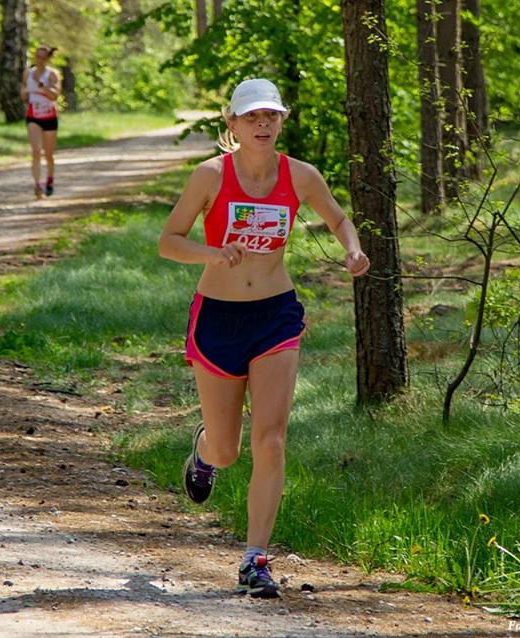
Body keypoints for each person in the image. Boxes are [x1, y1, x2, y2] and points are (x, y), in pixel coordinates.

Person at [158, 78, 371, 599]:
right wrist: (212, 253)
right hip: (218, 318)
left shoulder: (300, 175)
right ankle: (204, 453)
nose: (262, 124)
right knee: (228, 450)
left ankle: (255, 559)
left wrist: (352, 249)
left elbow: (339, 218)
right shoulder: (211, 176)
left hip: (275, 316)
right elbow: (168, 241)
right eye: (251, 116)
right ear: (232, 123)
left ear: (281, 120)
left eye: (270, 116)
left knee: (271, 439)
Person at [20, 45, 61, 199]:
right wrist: (24, 92)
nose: (40, 60)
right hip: (33, 115)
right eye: (38, 57)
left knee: (48, 154)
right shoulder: (28, 73)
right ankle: (37, 185)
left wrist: (41, 85)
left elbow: (55, 95)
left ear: (48, 59)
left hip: (49, 115)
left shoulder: (52, 74)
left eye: (43, 58)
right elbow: (23, 94)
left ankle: (49, 180)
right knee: (36, 151)